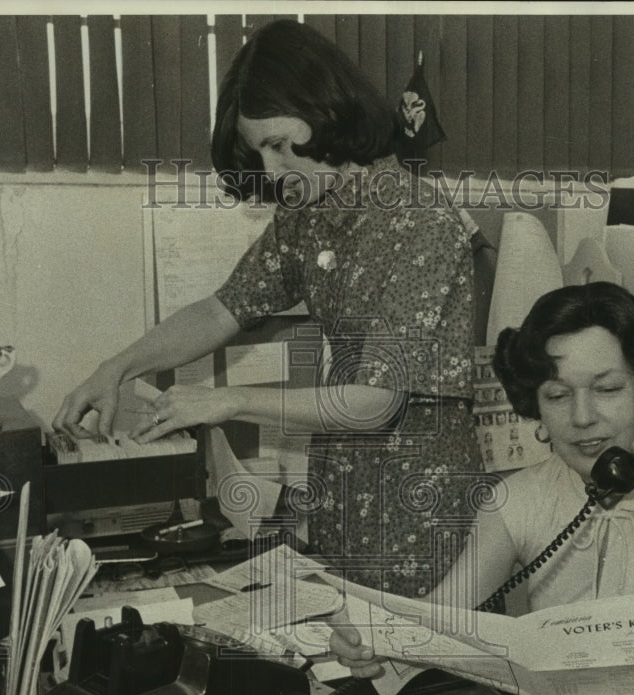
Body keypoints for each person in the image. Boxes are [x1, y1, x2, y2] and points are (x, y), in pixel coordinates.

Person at [52, 20, 483, 598]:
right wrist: (117, 367)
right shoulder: (307, 214)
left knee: (421, 672)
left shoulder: (418, 220)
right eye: (260, 151)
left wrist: (228, 400)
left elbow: (376, 401)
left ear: (328, 109)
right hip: (345, 491)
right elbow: (223, 309)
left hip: (418, 508)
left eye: (280, 144)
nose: (273, 170)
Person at [332, 281, 634, 677]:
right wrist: (368, 639)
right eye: (557, 396)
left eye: (608, 390)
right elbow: (443, 615)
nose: (582, 418)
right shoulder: (516, 500)